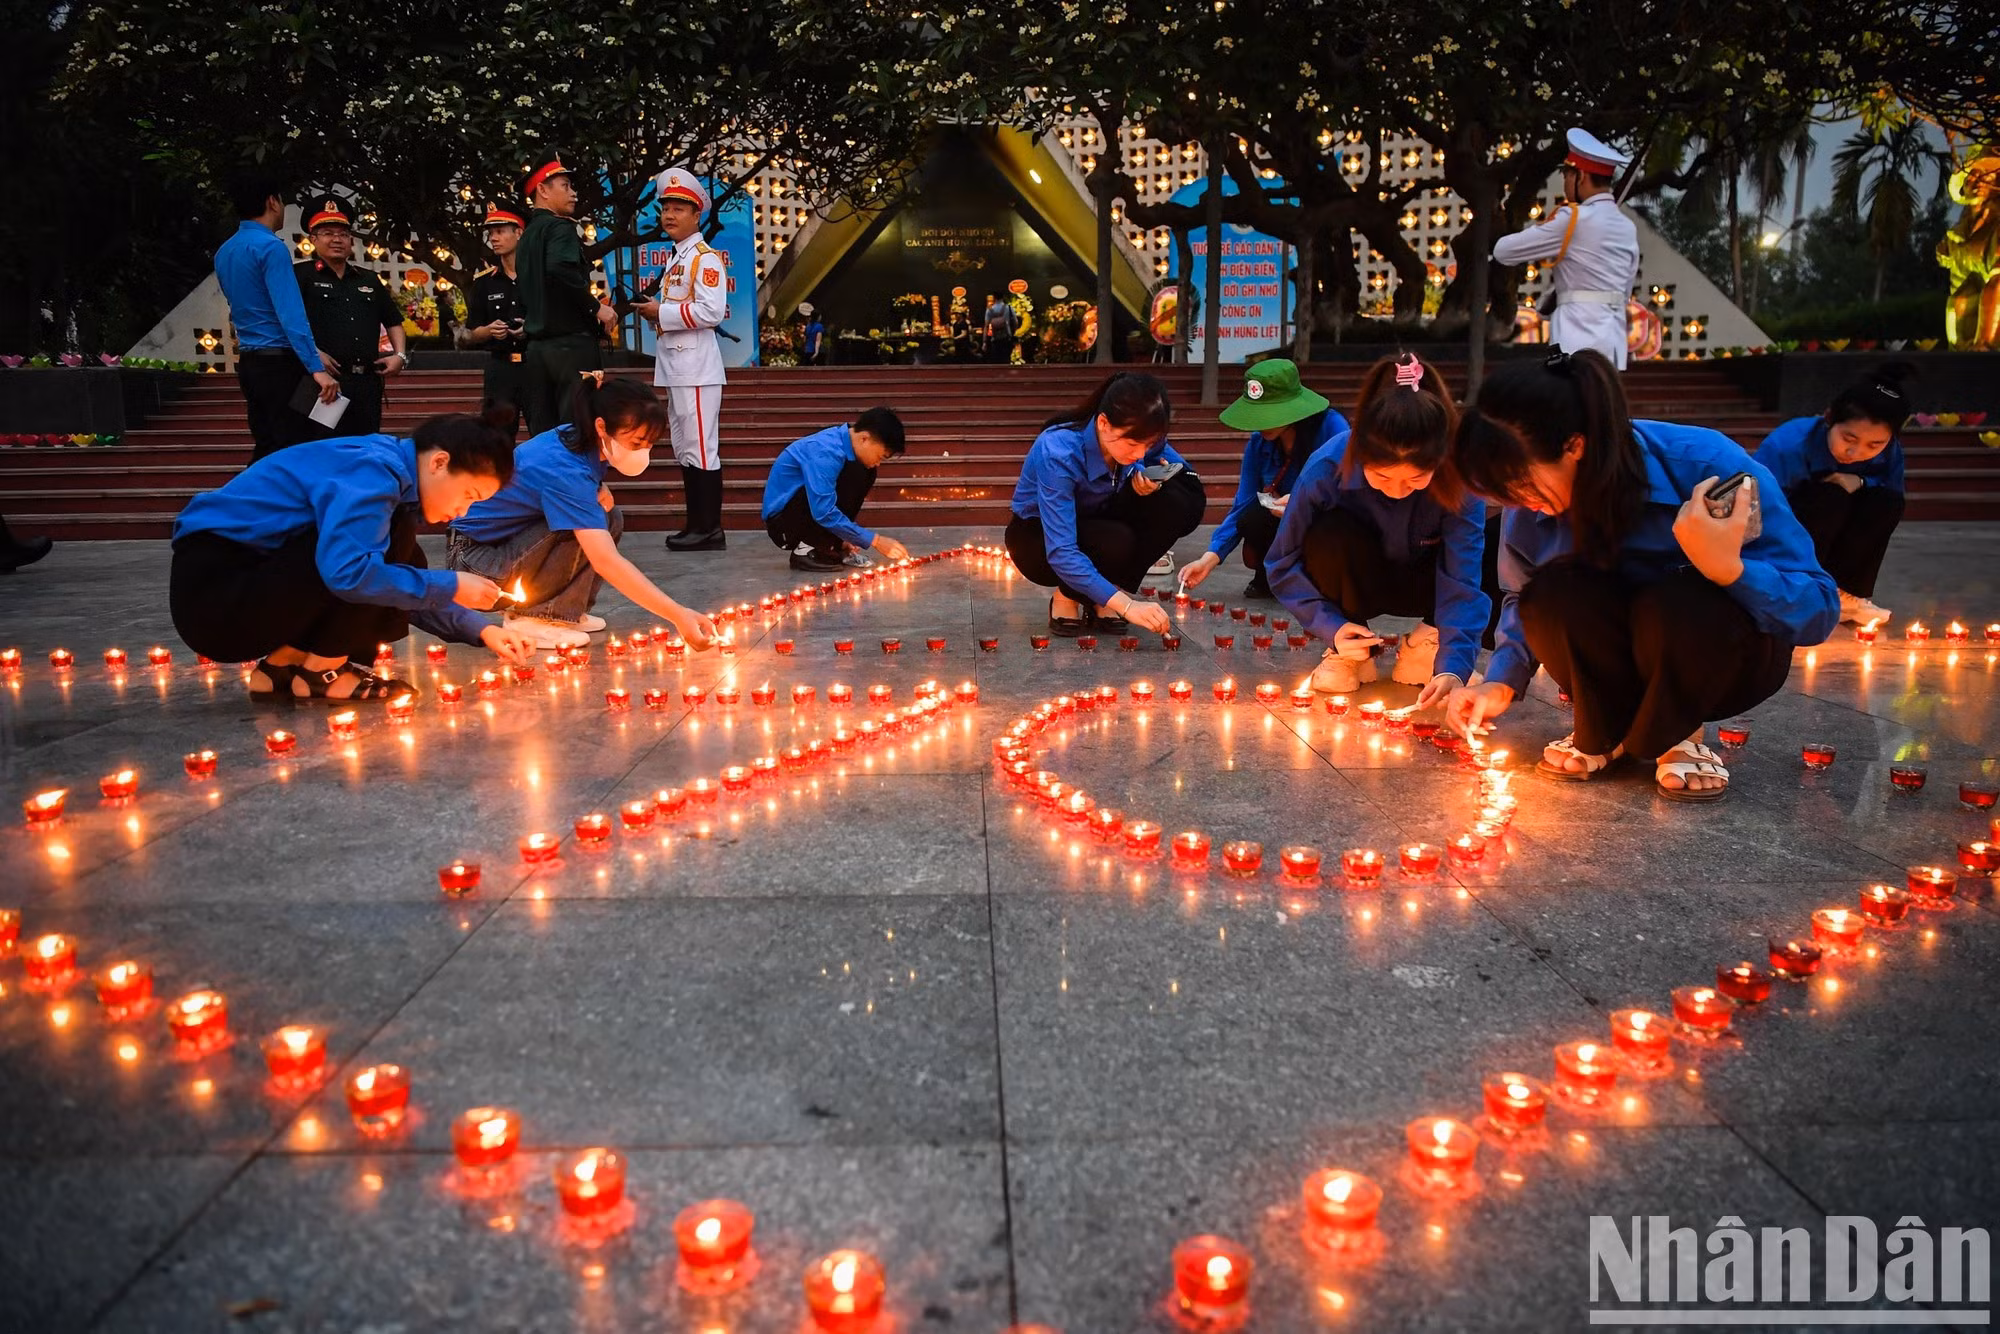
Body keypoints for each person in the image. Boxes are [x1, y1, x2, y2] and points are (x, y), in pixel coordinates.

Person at [1446, 349, 1838, 803]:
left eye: (1521, 485)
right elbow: (1521, 596)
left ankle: (1680, 734)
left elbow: (1818, 609)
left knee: (1674, 599)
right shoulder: (1533, 508)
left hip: (1722, 657)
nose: (1519, 503)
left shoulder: (1706, 466)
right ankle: (1605, 728)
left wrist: (1728, 569)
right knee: (1552, 591)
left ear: (1575, 446)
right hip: (1615, 657)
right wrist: (1502, 680)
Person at [169, 412, 535, 701]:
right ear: (439, 462)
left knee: (393, 551)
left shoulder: (384, 474)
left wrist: (483, 629)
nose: (462, 511)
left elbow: (405, 584)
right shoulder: (375, 473)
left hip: (225, 592)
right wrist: (453, 584)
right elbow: (352, 575)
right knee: (383, 548)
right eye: (469, 494)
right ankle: (322, 674)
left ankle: (280, 668)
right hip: (219, 600)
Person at [1265, 354, 1488, 702]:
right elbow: (1281, 562)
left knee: (1502, 549)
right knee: (1329, 534)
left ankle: (1427, 644)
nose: (1397, 490)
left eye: (1416, 478)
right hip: (1358, 583)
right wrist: (1330, 626)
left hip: (1426, 582)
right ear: (1359, 453)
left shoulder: (1459, 476)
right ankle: (1352, 648)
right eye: (1381, 476)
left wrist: (1454, 665)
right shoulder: (1327, 466)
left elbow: (1464, 580)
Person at [448, 375, 719, 651]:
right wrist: (677, 614)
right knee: (583, 526)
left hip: (502, 546)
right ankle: (535, 617)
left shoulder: (581, 437)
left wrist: (598, 487)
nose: (643, 452)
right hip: (475, 563)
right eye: (636, 443)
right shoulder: (564, 467)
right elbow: (606, 561)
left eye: (650, 444)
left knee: (608, 515)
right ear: (602, 426)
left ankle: (565, 610)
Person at [1005, 372, 1204, 637]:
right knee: (1114, 540)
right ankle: (1067, 596)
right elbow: (1062, 550)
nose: (1139, 454)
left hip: (1100, 517)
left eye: (1149, 444)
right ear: (1103, 423)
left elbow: (1185, 477)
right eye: (1133, 443)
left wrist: (1145, 472)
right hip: (1039, 537)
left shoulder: (1141, 443)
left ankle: (1105, 592)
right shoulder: (1058, 451)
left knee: (1180, 501)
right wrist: (1129, 606)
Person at [1754, 364, 1914, 627]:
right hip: (1786, 528)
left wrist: (1860, 480)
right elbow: (1761, 506)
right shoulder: (1790, 444)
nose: (1856, 453)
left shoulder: (1890, 453)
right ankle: (1802, 588)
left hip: (1841, 522)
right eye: (1848, 438)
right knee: (1829, 497)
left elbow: (1891, 493)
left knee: (1886, 502)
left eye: (1874, 444)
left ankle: (1846, 595)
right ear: (1829, 418)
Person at [1179, 358, 1350, 600]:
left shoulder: (1333, 429)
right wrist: (1210, 558)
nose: (1261, 424)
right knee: (1253, 519)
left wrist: (1306, 503)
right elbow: (1243, 504)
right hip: (1281, 525)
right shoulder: (1259, 444)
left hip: (1329, 522)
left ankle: (1321, 579)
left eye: (1269, 414)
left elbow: (1353, 492)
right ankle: (1269, 577)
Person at [633, 167, 729, 551]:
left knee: (702, 448)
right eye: (665, 208)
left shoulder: (703, 260)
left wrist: (661, 314)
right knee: (686, 447)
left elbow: (712, 312)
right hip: (678, 368)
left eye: (678, 208)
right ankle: (698, 526)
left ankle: (709, 528)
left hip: (697, 370)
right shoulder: (678, 259)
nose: (669, 215)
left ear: (696, 214)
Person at [1493, 129, 1640, 368]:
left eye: (1567, 176)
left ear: (1580, 177)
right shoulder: (1627, 227)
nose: (1564, 184)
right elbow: (1625, 288)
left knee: (1568, 403)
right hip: (1613, 340)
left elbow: (1504, 252)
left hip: (1575, 336)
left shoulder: (1571, 219)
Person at [214, 174, 338, 459]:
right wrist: (317, 368)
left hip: (251, 364)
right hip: (283, 364)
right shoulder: (271, 248)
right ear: (272, 202)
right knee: (301, 445)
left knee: (268, 442)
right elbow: (291, 315)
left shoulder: (225, 251)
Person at [518, 155, 618, 435]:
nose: (573, 192)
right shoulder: (559, 227)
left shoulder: (527, 235)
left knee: (544, 435)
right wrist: (595, 307)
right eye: (565, 185)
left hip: (537, 350)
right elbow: (560, 269)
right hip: (571, 348)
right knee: (578, 429)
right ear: (543, 190)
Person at [294, 198, 406, 439]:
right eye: (327, 233)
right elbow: (288, 323)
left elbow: (393, 321)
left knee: (365, 446)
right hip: (325, 382)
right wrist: (312, 354)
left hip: (367, 381)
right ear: (313, 240)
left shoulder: (368, 279)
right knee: (326, 448)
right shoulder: (301, 276)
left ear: (351, 240)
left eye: (343, 234)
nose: (337, 239)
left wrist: (400, 355)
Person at [762, 408, 911, 572]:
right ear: (864, 438)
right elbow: (823, 511)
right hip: (784, 525)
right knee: (854, 473)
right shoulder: (826, 451)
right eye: (881, 456)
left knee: (863, 470)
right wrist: (875, 541)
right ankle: (805, 549)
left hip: (806, 512)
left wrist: (844, 537)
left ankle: (830, 544)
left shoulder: (844, 447)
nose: (879, 463)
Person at [460, 205, 529, 434]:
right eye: (491, 234)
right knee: (496, 435)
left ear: (519, 233)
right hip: (500, 366)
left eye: (500, 231)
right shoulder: (484, 282)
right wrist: (489, 330)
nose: (494, 239)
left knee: (544, 432)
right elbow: (471, 333)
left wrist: (530, 328)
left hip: (535, 364)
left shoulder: (538, 277)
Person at [983, 292, 1013, 364]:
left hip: (994, 338)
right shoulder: (1008, 308)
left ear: (994, 298)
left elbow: (986, 326)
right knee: (1005, 359)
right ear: (1003, 298)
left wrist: (984, 341)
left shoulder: (989, 310)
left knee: (996, 360)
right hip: (1006, 337)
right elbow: (1015, 322)